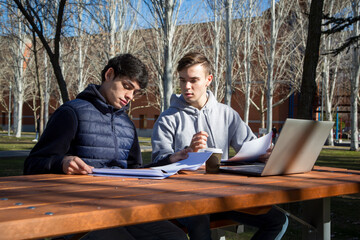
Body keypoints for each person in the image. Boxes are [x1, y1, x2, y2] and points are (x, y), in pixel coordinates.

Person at [24, 53, 188, 240]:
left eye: (135, 92)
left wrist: (169, 160)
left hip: (124, 209)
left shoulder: (127, 124)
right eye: (127, 87)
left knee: (175, 237)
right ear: (109, 75)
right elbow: (32, 165)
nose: (130, 97)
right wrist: (61, 162)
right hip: (80, 213)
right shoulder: (71, 113)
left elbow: (136, 173)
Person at [151, 51, 288, 240]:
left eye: (193, 80)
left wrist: (263, 154)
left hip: (225, 197)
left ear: (208, 80)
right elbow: (158, 162)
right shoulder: (168, 118)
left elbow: (249, 147)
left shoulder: (227, 114)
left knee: (277, 220)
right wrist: (186, 154)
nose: (186, 86)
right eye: (182, 80)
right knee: (199, 221)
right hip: (183, 198)